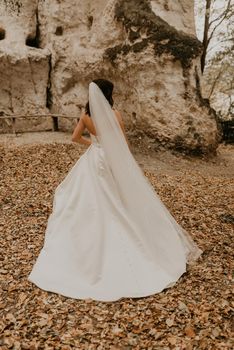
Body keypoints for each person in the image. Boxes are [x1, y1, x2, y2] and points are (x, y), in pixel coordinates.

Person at [28, 79, 202, 302]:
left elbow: (74, 138)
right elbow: (123, 145)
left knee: (85, 199)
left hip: (94, 159)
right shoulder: (115, 115)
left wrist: (94, 145)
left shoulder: (86, 117)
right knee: (120, 196)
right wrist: (125, 163)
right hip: (111, 159)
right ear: (108, 95)